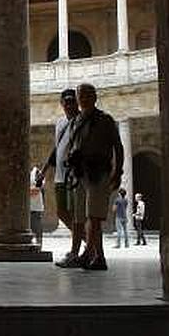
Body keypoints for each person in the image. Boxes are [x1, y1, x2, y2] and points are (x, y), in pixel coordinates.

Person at [67, 83, 124, 271]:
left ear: (95, 97)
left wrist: (118, 171)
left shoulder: (105, 120)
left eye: (87, 94)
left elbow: (118, 146)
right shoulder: (76, 121)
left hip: (98, 172)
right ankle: (99, 258)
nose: (83, 98)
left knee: (95, 217)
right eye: (80, 95)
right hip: (80, 174)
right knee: (83, 217)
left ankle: (87, 255)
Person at [37, 88, 84, 268]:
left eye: (72, 101)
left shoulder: (83, 121)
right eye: (66, 101)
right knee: (62, 212)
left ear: (77, 102)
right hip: (60, 175)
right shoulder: (60, 123)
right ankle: (90, 242)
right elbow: (57, 149)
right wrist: (44, 170)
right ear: (61, 103)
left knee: (79, 214)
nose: (69, 104)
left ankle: (76, 251)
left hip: (76, 175)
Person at [29, 166, 44, 246]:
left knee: (37, 228)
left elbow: (37, 190)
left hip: (35, 207)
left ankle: (39, 245)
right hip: (25, 209)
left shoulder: (37, 172)